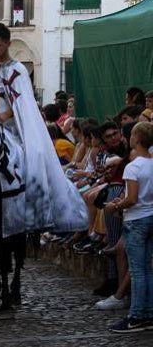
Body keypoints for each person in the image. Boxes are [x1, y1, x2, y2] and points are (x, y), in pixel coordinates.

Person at [0, 22, 87, 236]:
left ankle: (31, 211)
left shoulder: (17, 71)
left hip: (5, 132)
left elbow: (23, 103)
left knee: (30, 159)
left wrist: (4, 115)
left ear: (8, 43)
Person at [105, 122, 153, 333]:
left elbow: (131, 198)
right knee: (148, 270)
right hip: (151, 216)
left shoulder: (133, 167)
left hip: (136, 220)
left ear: (137, 139)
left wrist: (115, 204)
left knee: (138, 270)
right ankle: (149, 313)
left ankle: (136, 316)